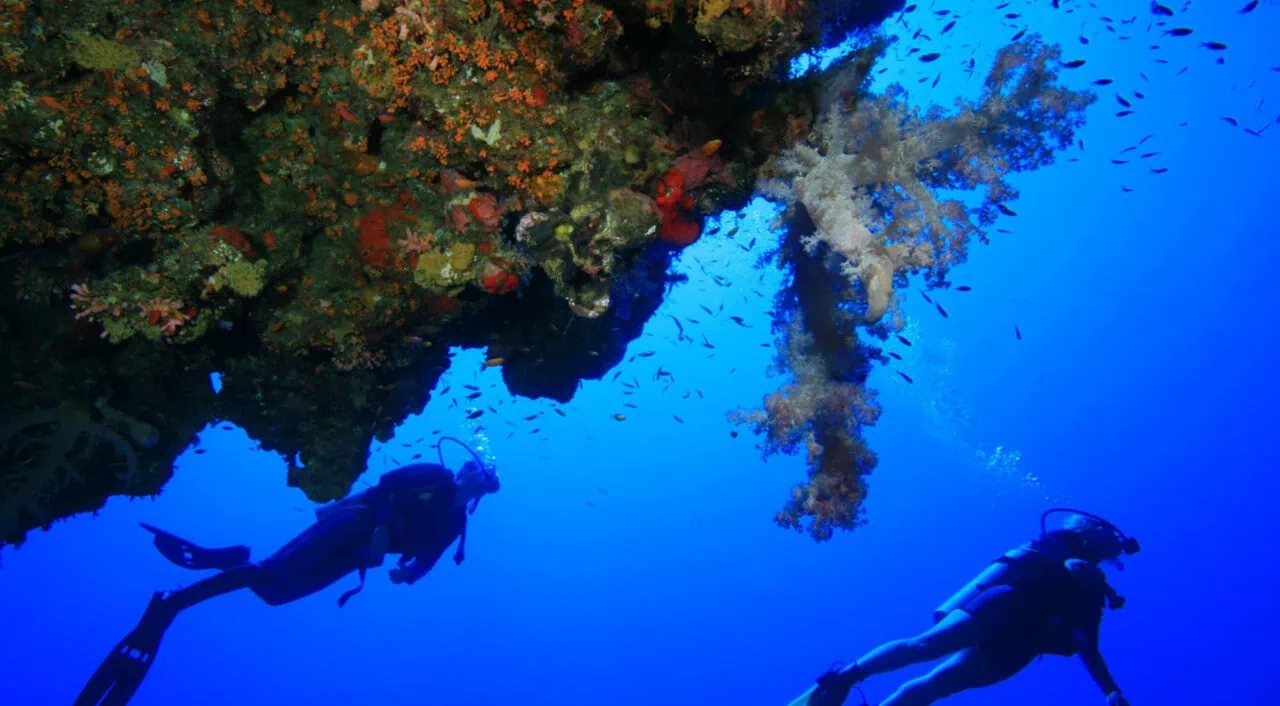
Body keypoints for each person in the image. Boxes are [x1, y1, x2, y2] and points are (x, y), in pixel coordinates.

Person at [73, 439, 501, 706]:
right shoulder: (432, 474)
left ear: (483, 490)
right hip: (353, 523)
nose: (474, 475)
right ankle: (175, 604)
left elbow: (427, 561)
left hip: (357, 556)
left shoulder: (455, 524)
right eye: (476, 469)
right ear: (465, 468)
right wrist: (380, 529)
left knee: (274, 593)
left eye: (483, 477)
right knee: (270, 573)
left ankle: (232, 558)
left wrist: (406, 574)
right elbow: (384, 486)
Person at [790, 509, 1139, 706]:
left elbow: (1089, 647)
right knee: (927, 646)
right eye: (1112, 535)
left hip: (1023, 643)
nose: (1118, 544)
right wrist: (1071, 567)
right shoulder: (1064, 541)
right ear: (1091, 529)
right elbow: (1041, 558)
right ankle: (844, 679)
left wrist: (1110, 690)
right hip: (1004, 604)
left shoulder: (1096, 591)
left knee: (939, 683)